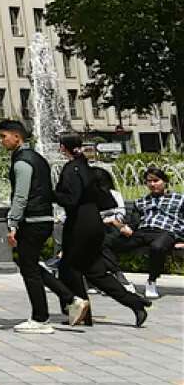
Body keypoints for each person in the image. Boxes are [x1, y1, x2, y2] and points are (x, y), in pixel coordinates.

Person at [52, 134, 149, 328]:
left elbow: (71, 200)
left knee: (69, 268)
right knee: (95, 272)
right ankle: (136, 304)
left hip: (80, 223)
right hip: (93, 221)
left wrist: (50, 194)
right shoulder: (87, 167)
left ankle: (80, 311)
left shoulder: (72, 169)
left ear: (63, 148)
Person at [0, 120, 75, 333]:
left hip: (32, 221)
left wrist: (12, 223)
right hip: (43, 219)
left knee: (28, 269)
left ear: (17, 136)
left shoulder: (22, 161)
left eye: (4, 136)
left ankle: (41, 318)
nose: (2, 141)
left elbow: (21, 196)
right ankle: (70, 299)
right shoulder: (38, 158)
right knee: (30, 265)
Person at [111, 167, 183, 301]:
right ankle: (118, 279)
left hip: (167, 232)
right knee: (111, 243)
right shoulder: (142, 202)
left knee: (157, 247)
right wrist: (124, 227)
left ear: (165, 181)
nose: (152, 184)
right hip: (143, 232)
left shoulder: (179, 199)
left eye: (156, 180)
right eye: (149, 181)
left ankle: (152, 281)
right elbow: (134, 223)